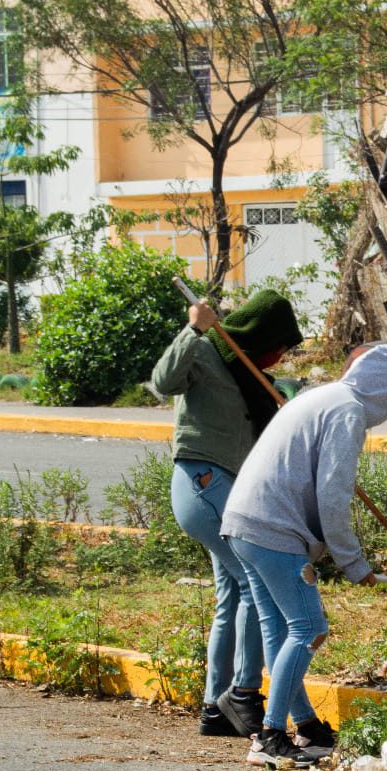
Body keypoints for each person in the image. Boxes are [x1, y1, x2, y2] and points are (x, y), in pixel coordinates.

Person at [220, 344, 387, 767]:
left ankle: (306, 728)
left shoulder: (321, 396)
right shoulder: (348, 412)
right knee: (309, 629)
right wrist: (353, 562)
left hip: (243, 522)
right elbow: (333, 494)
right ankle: (269, 736)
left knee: (280, 628)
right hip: (274, 529)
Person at [150, 288, 303, 737]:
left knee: (232, 596)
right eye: (278, 345)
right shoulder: (204, 350)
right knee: (257, 585)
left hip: (227, 490)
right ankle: (243, 694)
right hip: (203, 481)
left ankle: (215, 708)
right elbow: (163, 381)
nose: (280, 355)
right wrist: (193, 327)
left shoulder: (249, 373)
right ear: (259, 335)